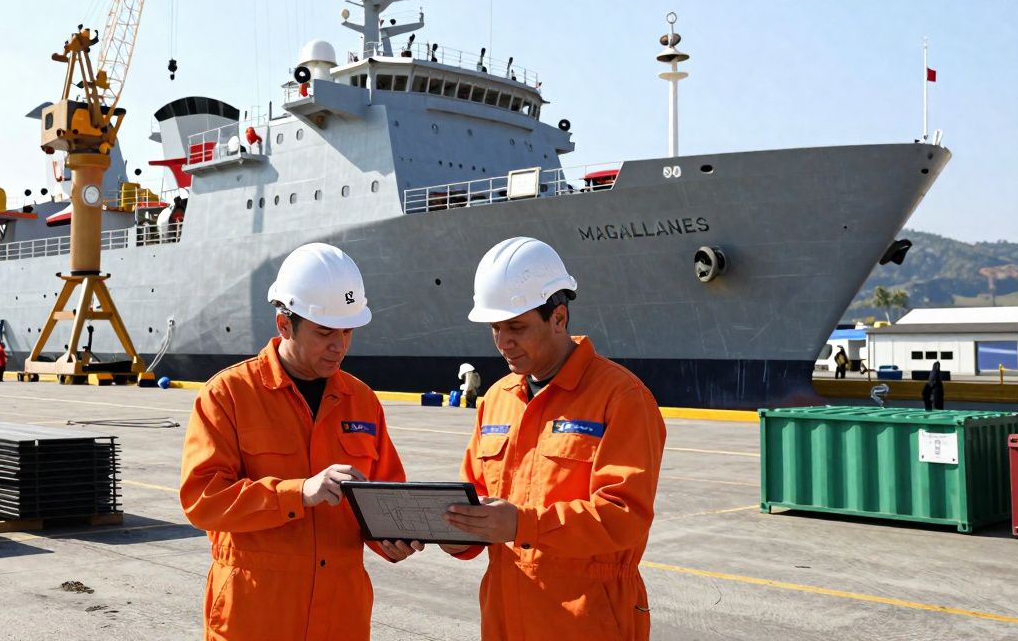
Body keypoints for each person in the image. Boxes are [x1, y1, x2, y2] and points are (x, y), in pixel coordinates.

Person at [179, 243, 419, 640]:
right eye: (325, 332)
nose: (339, 345)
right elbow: (202, 500)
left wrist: (392, 539)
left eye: (347, 331)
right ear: (284, 324)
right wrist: (299, 493)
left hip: (340, 616)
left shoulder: (361, 401)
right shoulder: (229, 394)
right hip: (256, 614)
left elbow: (386, 495)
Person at [440, 237, 666, 641]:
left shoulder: (621, 398)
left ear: (558, 318)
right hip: (505, 615)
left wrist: (521, 524)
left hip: (588, 619)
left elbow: (624, 517)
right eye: (495, 328)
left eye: (517, 327)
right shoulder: (497, 399)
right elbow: (475, 499)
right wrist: (449, 532)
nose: (503, 341)